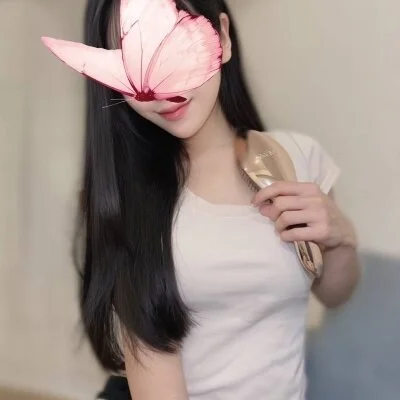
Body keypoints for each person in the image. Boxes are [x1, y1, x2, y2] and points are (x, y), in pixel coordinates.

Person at [70, 0, 360, 399]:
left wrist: (342, 238)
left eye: (172, 44)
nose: (159, 86)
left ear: (221, 37)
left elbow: (335, 293)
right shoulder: (129, 202)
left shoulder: (297, 157)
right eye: (130, 63)